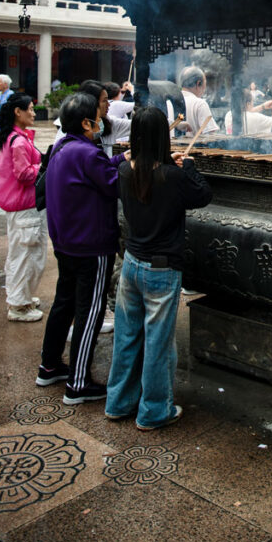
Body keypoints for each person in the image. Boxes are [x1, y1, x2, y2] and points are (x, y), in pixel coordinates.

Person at [105, 108, 212, 430]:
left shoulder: (125, 170)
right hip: (161, 271)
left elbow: (148, 176)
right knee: (158, 343)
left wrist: (172, 167)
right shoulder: (172, 176)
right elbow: (203, 195)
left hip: (132, 265)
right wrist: (188, 165)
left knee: (126, 336)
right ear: (162, 137)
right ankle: (153, 411)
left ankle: (118, 402)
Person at [36, 92, 128, 403]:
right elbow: (114, 184)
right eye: (98, 116)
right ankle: (77, 383)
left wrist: (121, 159)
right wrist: (133, 167)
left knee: (64, 304)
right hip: (90, 246)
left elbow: (100, 173)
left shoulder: (64, 146)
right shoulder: (88, 153)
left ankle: (49, 366)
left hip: (66, 243)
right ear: (86, 122)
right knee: (90, 312)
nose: (102, 120)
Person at [0, 93, 46, 322]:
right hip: (24, 206)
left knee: (21, 254)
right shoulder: (18, 142)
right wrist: (43, 167)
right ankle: (18, 305)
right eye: (31, 109)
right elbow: (24, 174)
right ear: (18, 112)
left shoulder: (16, 137)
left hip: (21, 206)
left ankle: (21, 297)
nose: (34, 114)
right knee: (26, 256)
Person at [180, 66, 219, 135]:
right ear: (198, 84)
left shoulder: (171, 101)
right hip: (195, 145)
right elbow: (210, 135)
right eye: (205, 84)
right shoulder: (199, 104)